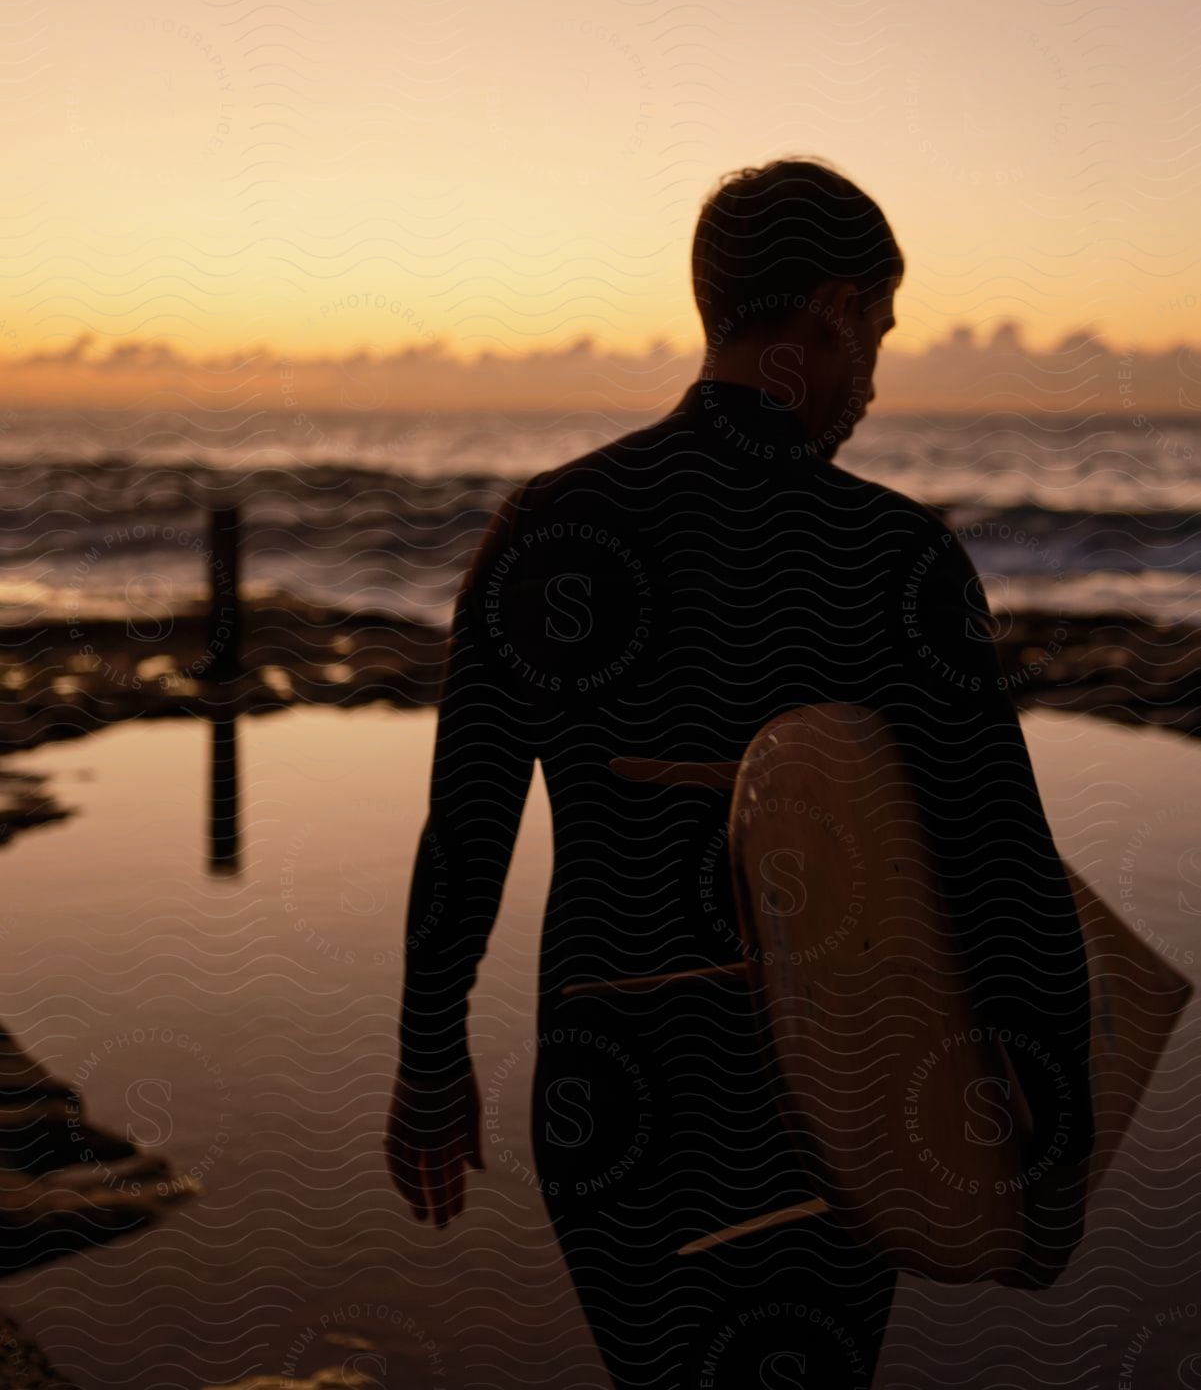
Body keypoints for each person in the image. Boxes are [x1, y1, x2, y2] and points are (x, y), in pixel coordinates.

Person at [386, 158, 1095, 1387]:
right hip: (830, 1103)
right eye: (875, 330)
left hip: (607, 1097)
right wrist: (1052, 1147)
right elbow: (1003, 876)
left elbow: (467, 830)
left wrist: (429, 1059)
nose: (871, 375)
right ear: (828, 313)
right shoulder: (894, 557)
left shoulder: (548, 530)